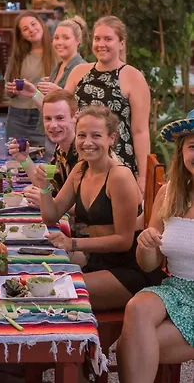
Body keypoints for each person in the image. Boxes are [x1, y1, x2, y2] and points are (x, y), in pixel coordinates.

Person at [35, 105, 163, 311]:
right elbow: (51, 216)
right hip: (97, 261)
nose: (87, 143)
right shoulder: (80, 170)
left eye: (96, 135)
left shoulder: (119, 176)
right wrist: (44, 186)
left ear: (111, 139)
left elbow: (123, 241)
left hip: (129, 269)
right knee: (37, 281)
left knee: (56, 292)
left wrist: (72, 243)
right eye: (81, 135)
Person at [116, 111, 194, 383]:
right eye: (193, 146)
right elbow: (148, 265)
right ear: (182, 152)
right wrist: (146, 244)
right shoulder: (169, 194)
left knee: (130, 346)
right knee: (137, 308)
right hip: (175, 288)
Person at [64, 16, 150, 193]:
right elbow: (61, 114)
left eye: (108, 39)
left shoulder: (133, 77)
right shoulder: (79, 72)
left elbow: (140, 131)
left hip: (118, 162)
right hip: (81, 156)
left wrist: (144, 177)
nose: (101, 44)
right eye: (97, 38)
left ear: (121, 43)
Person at [9, 88, 78, 207]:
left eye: (60, 118)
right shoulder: (61, 148)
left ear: (75, 117)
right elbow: (47, 186)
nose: (53, 125)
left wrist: (49, 203)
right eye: (48, 118)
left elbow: (88, 209)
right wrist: (24, 159)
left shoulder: (84, 152)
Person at [5, 12, 57, 159]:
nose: (31, 30)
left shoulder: (57, 51)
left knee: (46, 161)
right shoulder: (19, 56)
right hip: (17, 116)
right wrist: (10, 89)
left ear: (41, 24)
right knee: (16, 161)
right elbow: (8, 90)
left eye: (33, 24)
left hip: (44, 116)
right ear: (21, 36)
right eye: (25, 29)